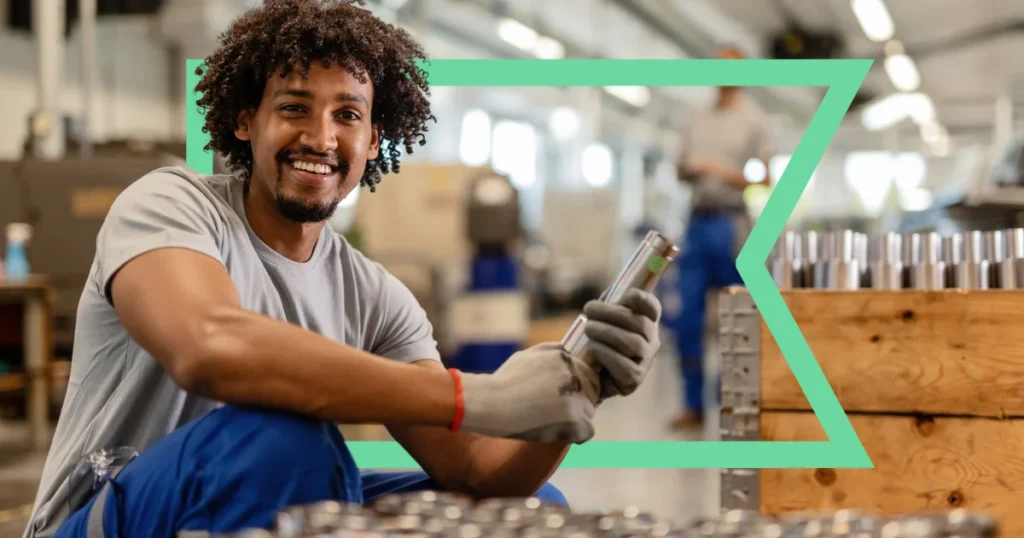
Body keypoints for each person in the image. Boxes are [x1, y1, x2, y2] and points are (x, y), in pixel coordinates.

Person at [23, 1, 664, 537]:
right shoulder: (171, 204)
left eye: (347, 115)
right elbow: (209, 346)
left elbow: (477, 469)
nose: (321, 137)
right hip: (99, 518)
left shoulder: (373, 294)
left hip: (237, 505)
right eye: (294, 107)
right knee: (282, 443)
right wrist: (480, 396)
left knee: (525, 512)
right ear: (246, 121)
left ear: (374, 140)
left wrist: (573, 391)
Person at [667, 46, 774, 430]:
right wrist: (689, 168)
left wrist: (722, 171)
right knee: (687, 320)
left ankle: (731, 401)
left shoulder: (754, 120)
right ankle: (693, 406)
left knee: (738, 319)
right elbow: (680, 168)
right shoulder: (695, 119)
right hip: (696, 223)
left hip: (732, 226)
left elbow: (764, 179)